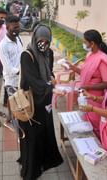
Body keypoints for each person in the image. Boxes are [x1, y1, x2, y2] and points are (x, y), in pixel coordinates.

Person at [18, 25, 63, 180]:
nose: (43, 43)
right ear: (35, 38)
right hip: (31, 101)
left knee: (45, 129)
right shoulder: (27, 55)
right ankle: (32, 166)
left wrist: (52, 79)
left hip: (45, 100)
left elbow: (48, 72)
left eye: (47, 40)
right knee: (32, 134)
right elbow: (33, 80)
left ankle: (46, 159)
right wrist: (51, 88)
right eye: (40, 40)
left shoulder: (49, 52)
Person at [67, 29, 107, 138]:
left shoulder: (102, 59)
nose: (83, 44)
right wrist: (73, 68)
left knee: (95, 127)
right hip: (85, 95)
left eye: (84, 42)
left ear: (92, 43)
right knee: (86, 123)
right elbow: (86, 73)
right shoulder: (89, 55)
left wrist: (87, 87)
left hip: (95, 98)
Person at [0, 15, 22, 126]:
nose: (17, 30)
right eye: (14, 28)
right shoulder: (3, 46)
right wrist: (23, 72)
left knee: (15, 104)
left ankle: (9, 120)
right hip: (11, 81)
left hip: (21, 79)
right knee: (15, 105)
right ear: (7, 27)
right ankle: (15, 126)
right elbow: (9, 68)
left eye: (18, 27)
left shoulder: (19, 39)